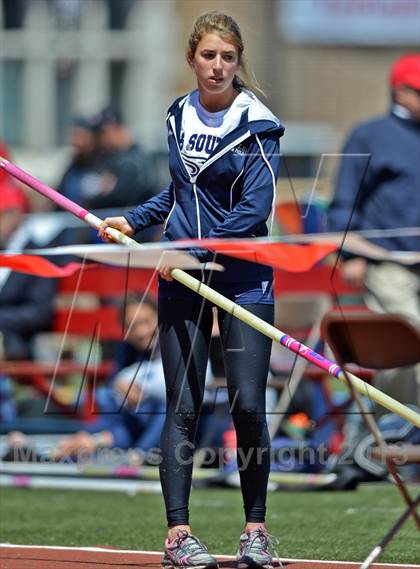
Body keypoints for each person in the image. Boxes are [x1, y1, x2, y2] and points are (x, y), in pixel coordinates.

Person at [98, 12, 284, 569]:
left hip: (242, 273)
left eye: (228, 56)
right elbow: (182, 192)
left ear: (238, 60)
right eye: (208, 55)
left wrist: (192, 252)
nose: (218, 66)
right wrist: (135, 220)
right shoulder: (179, 114)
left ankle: (255, 531)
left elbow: (254, 209)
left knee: (248, 405)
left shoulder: (258, 123)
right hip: (183, 277)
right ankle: (178, 535)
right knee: (181, 404)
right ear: (192, 59)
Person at [326, 54, 420, 484]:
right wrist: (349, 254)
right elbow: (345, 197)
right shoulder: (372, 134)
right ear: (400, 90)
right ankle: (380, 434)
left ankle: (384, 440)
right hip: (387, 262)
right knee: (408, 340)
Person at [84, 106, 156, 211]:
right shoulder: (111, 157)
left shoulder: (135, 160)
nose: (100, 138)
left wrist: (97, 195)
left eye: (103, 132)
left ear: (116, 128)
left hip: (136, 224)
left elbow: (119, 198)